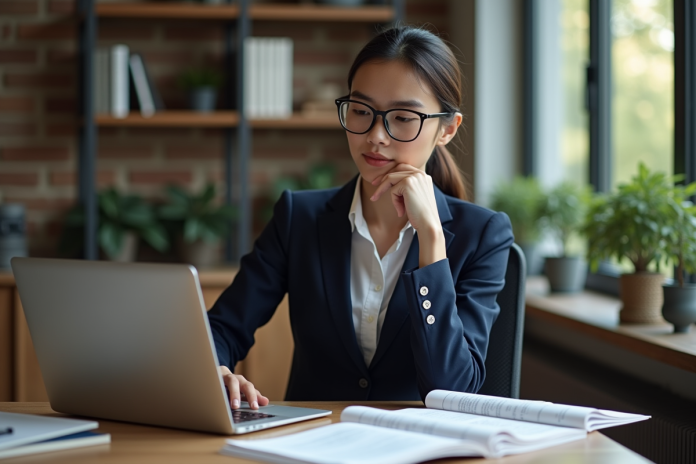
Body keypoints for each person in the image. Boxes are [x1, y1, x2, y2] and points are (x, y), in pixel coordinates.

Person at [207, 26, 514, 410]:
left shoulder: (482, 235)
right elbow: (223, 326)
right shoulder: (298, 218)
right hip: (312, 441)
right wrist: (215, 367)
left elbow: (453, 389)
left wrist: (432, 242)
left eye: (403, 117)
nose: (375, 135)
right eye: (361, 110)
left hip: (418, 447)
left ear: (446, 129)